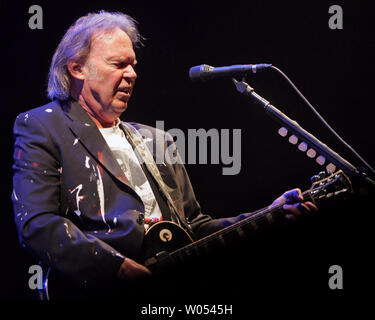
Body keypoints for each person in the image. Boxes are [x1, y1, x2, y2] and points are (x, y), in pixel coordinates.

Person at [11, 11, 317, 299]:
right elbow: (37, 224)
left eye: (133, 65)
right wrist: (115, 267)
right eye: (118, 64)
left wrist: (267, 215)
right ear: (77, 68)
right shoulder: (43, 125)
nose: (131, 74)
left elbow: (194, 229)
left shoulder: (158, 140)